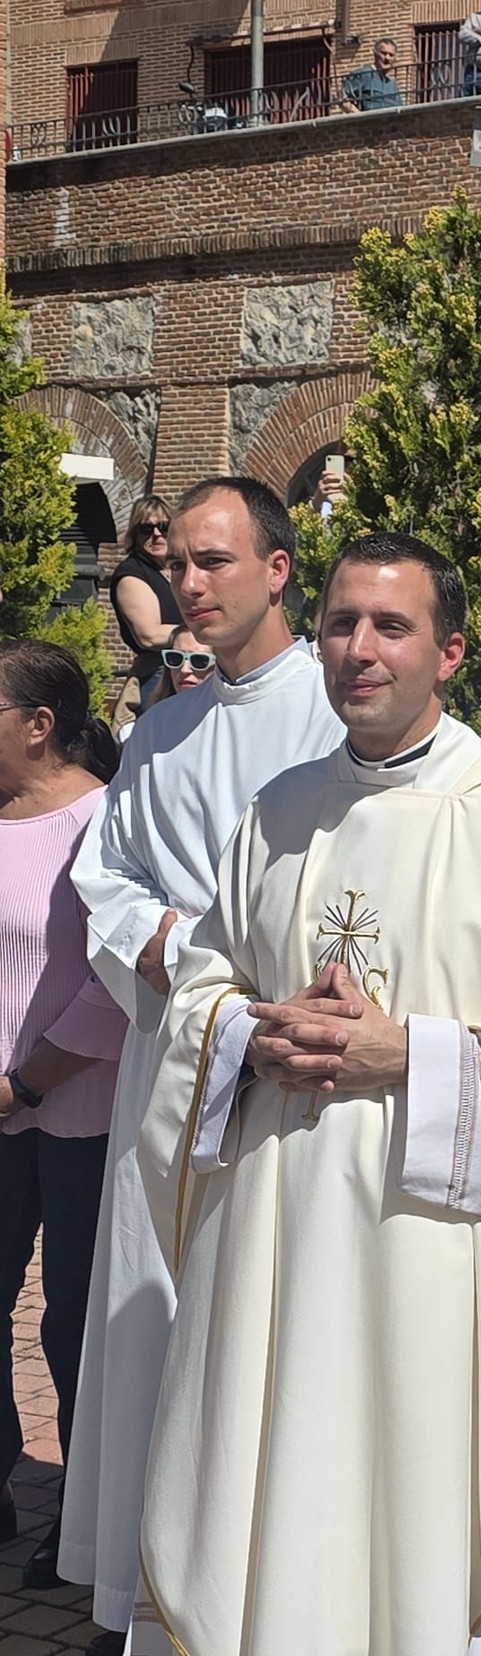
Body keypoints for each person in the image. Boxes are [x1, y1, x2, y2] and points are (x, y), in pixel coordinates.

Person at [132, 531, 481, 1656]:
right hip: (270, 1252)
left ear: (449, 651)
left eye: (391, 626)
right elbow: (200, 990)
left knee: (413, 1529)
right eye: (341, 624)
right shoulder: (277, 813)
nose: (359, 649)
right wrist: (249, 1034)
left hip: (436, 1263)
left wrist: (414, 1057)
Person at [62, 477, 344, 1655]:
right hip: (175, 1063)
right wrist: (176, 947)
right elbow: (105, 879)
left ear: (278, 569)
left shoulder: (338, 712)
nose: (188, 584)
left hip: (286, 1064)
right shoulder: (159, 733)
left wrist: (250, 969)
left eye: (214, 561)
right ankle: (150, 1596)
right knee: (161, 1320)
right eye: (177, 562)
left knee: (267, 1326)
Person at [0, 643, 125, 1591]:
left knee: (74, 1323)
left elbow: (115, 984)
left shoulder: (105, 823)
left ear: (40, 725)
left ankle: (81, 1517)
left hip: (80, 1112)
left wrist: (27, 1082)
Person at [108, 496, 181, 718]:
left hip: (192, 669)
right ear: (135, 535)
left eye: (164, 527)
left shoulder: (179, 570)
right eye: (146, 529)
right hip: (158, 677)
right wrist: (202, 632)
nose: (156, 534)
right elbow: (149, 635)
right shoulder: (132, 574)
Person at [149, 625, 216, 707]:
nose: (184, 670)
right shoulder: (156, 714)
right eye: (176, 658)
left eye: (199, 660)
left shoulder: (228, 713)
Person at [337, 37, 403, 112]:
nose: (387, 58)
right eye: (384, 53)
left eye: (391, 55)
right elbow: (343, 99)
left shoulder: (392, 84)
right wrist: (360, 115)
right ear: (375, 53)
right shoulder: (363, 75)